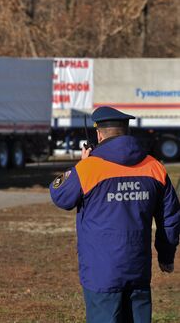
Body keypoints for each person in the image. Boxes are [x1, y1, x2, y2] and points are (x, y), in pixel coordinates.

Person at [49, 106, 180, 323]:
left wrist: (82, 164)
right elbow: (170, 218)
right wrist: (166, 257)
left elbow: (60, 196)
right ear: (126, 132)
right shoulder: (155, 167)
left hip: (101, 274)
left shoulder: (88, 169)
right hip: (138, 271)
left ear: (99, 134)